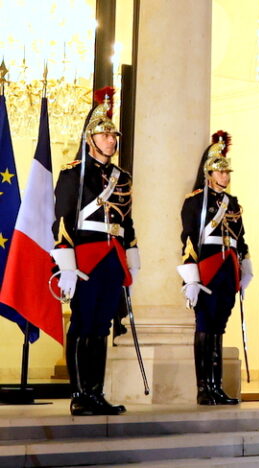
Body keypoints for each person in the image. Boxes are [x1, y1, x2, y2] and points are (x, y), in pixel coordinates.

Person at [52, 86, 139, 416]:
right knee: (82, 324)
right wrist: (66, 264)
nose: (111, 141)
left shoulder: (122, 178)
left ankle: (96, 392)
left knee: (102, 326)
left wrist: (132, 254)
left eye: (113, 136)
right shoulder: (73, 173)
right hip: (85, 257)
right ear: (90, 140)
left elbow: (126, 221)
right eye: (104, 136)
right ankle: (79, 395)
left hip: (112, 258)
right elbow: (62, 220)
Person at [176, 131, 253, 405]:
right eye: (220, 173)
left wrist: (246, 268)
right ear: (209, 174)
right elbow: (188, 239)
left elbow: (239, 239)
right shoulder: (196, 201)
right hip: (207, 269)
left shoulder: (233, 203)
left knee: (219, 327)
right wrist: (191, 278)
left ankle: (217, 386)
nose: (225, 177)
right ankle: (204, 388)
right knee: (205, 326)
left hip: (227, 271)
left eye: (227, 173)